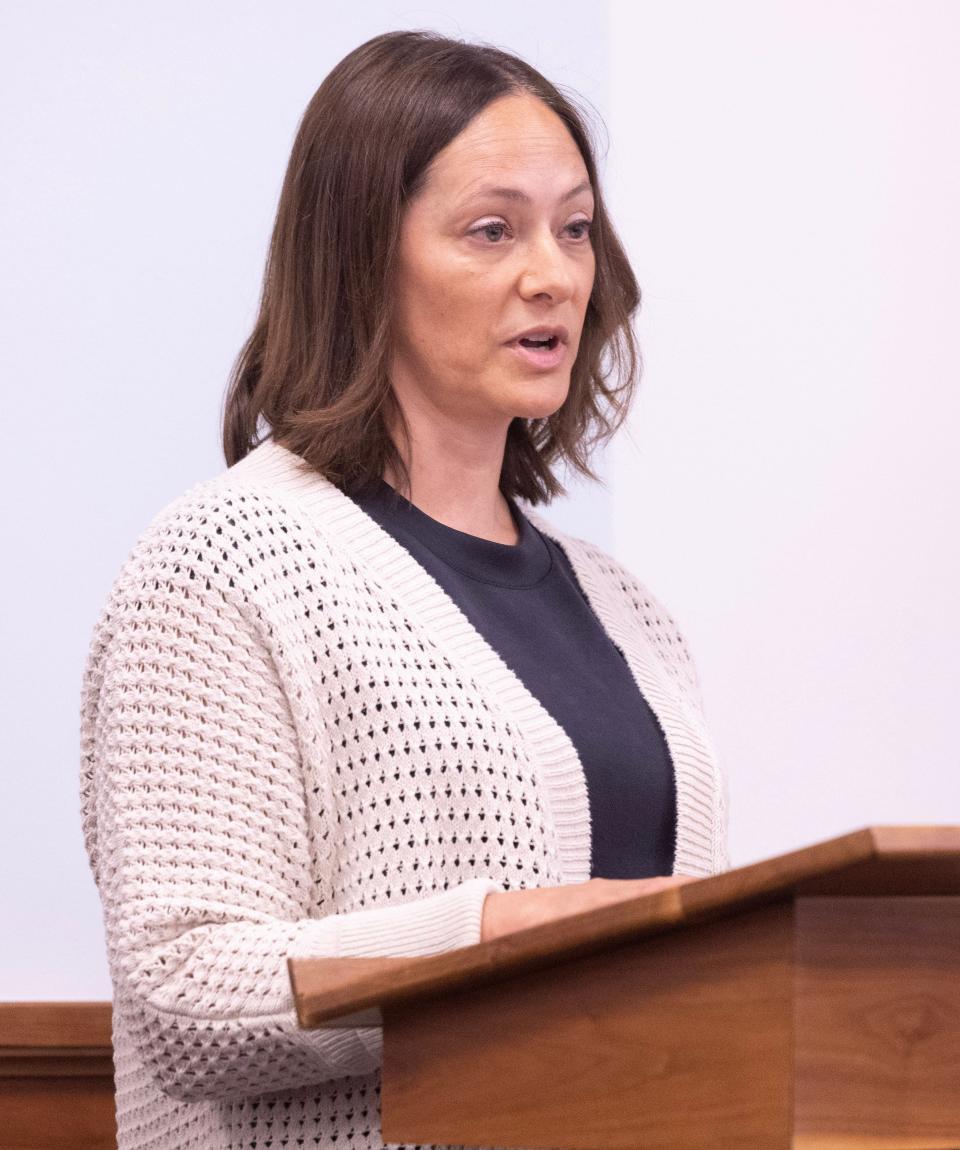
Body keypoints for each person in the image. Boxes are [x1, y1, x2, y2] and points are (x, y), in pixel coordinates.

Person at [79, 28, 729, 1150]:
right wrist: (504, 932)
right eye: (493, 230)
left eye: (574, 227)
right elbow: (181, 985)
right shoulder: (225, 562)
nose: (555, 273)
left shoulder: (635, 613)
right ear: (360, 258)